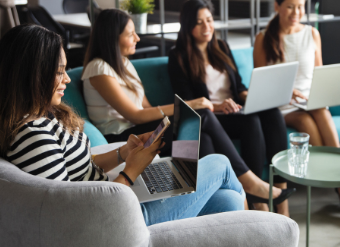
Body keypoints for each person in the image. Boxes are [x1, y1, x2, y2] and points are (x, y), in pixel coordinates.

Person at [0, 24, 246, 227]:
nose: (66, 78)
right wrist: (130, 172)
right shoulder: (33, 135)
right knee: (221, 164)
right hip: (116, 217)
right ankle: (261, 218)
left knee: (228, 200)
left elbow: (79, 171)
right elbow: (73, 214)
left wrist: (123, 153)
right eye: (58, 71)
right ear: (32, 75)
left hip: (115, 196)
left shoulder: (44, 118)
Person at [82, 8, 294, 214]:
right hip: (126, 137)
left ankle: (228, 204)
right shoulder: (98, 68)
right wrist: (188, 105)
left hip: (140, 129)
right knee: (201, 115)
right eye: (130, 34)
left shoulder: (124, 64)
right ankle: (248, 183)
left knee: (203, 134)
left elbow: (145, 107)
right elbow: (134, 115)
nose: (137, 38)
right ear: (111, 37)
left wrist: (183, 111)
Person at [168, 0, 294, 216]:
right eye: (199, 22)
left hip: (235, 110)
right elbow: (189, 103)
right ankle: (255, 191)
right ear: (188, 25)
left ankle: (277, 192)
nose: (207, 27)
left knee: (272, 112)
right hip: (213, 116)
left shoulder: (222, 47)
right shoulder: (178, 57)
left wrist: (257, 95)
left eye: (209, 20)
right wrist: (219, 106)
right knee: (250, 121)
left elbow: (239, 88)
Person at [253, 0, 339, 149]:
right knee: (304, 120)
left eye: (300, 7)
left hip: (308, 100)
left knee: (322, 111)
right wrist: (286, 91)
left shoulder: (312, 33)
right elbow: (260, 85)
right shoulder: (262, 39)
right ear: (277, 6)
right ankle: (320, 170)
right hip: (281, 105)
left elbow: (318, 75)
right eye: (290, 7)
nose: (296, 13)